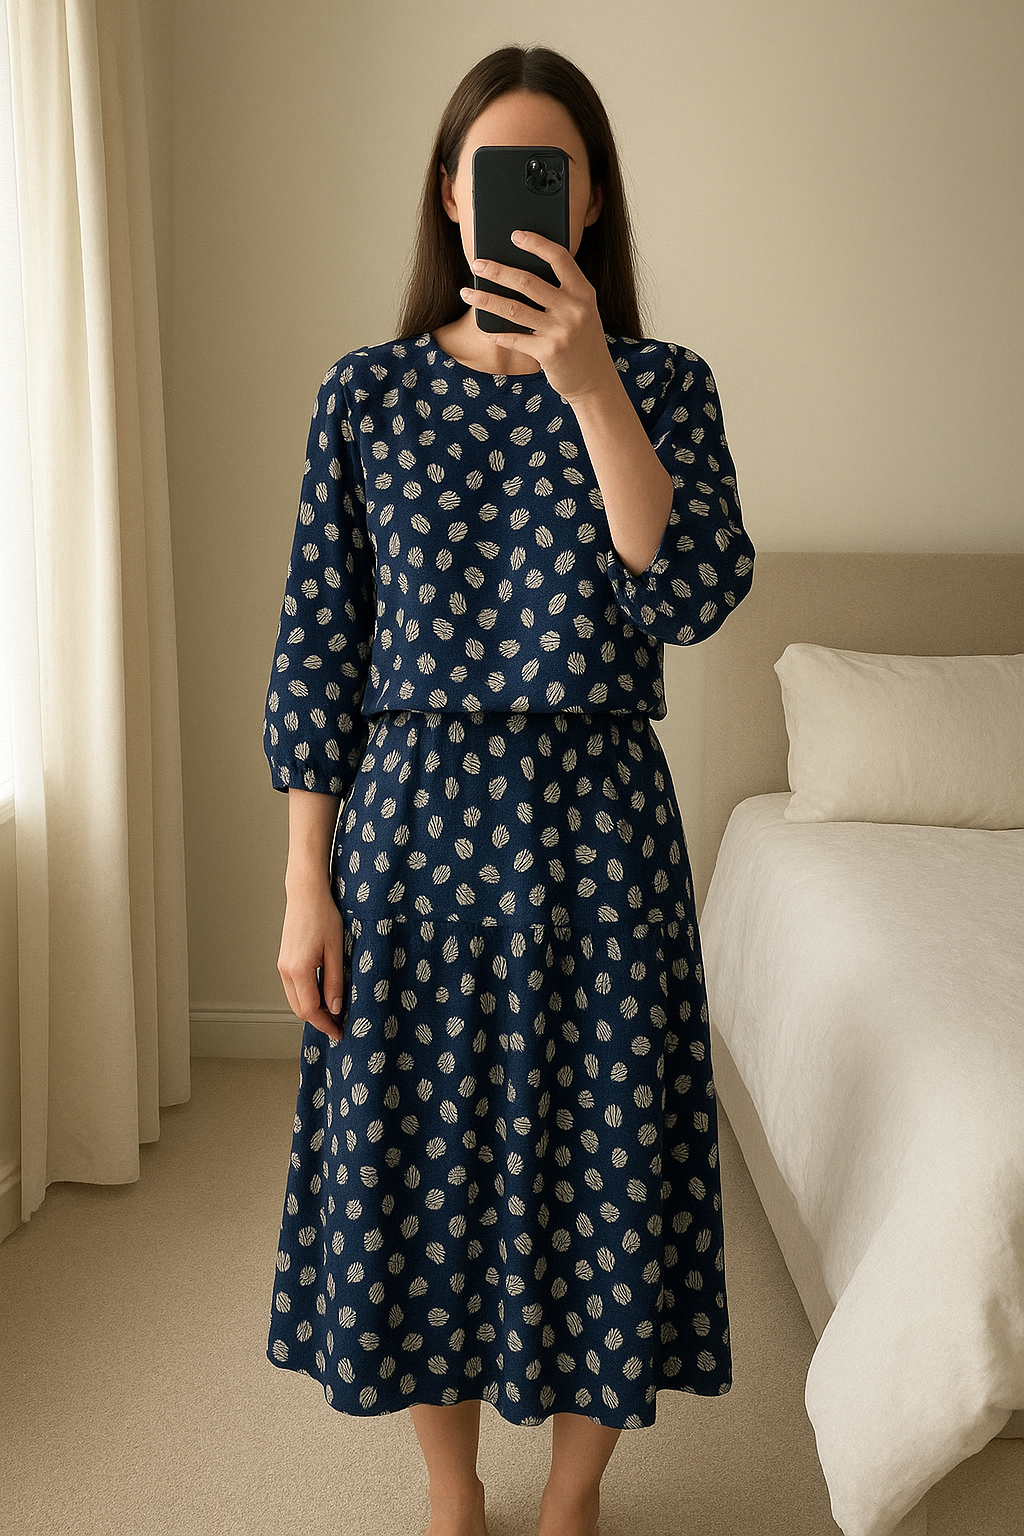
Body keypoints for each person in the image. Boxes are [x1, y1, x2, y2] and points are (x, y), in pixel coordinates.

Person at [263, 42, 756, 1536]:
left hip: (598, 830)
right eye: (491, 173)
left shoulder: (663, 384)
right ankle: (452, 1491)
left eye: (548, 171)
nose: (518, 200)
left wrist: (590, 380)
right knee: (418, 1171)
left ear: (591, 200)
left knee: (607, 1174)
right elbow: (316, 647)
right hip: (409, 835)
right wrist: (306, 879)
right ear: (449, 193)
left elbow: (689, 594)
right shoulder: (366, 398)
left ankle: (577, 1496)